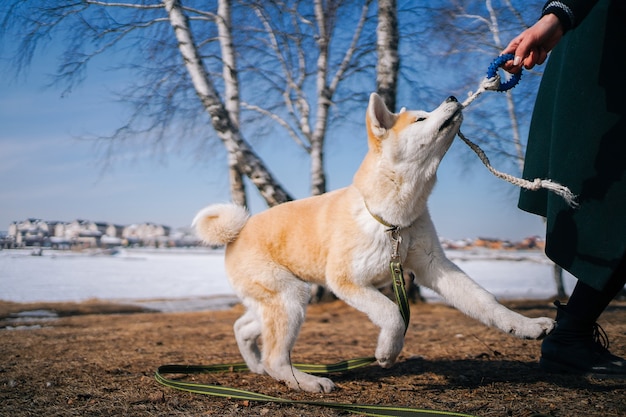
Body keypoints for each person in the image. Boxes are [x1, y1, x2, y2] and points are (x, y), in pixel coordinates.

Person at [501, 0, 626, 376]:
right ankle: (570, 336)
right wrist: (558, 15)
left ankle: (571, 334)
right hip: (608, 55)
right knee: (612, 195)